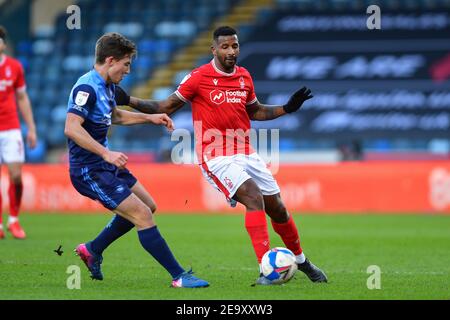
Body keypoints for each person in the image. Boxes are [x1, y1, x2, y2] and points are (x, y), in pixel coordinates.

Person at [115, 26, 328, 285]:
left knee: (279, 210)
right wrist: (127, 98)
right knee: (253, 197)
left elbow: (255, 111)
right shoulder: (198, 77)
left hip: (246, 151)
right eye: (225, 47)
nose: (231, 51)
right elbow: (164, 106)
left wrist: (286, 108)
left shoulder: (244, 77)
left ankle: (303, 261)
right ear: (213, 49)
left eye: (234, 46)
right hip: (215, 156)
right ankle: (266, 269)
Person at [64, 32, 208, 288]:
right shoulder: (86, 87)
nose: (128, 70)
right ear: (110, 60)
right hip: (89, 169)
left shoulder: (107, 87)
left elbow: (116, 116)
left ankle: (92, 249)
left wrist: (150, 118)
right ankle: (179, 276)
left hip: (104, 165)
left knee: (148, 205)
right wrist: (106, 152)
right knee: (141, 214)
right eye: (126, 64)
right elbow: (72, 128)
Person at [0, 26, 37, 240]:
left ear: (4, 43)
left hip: (11, 128)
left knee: (15, 175)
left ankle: (13, 219)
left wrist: (31, 128)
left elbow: (22, 98)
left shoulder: (14, 67)